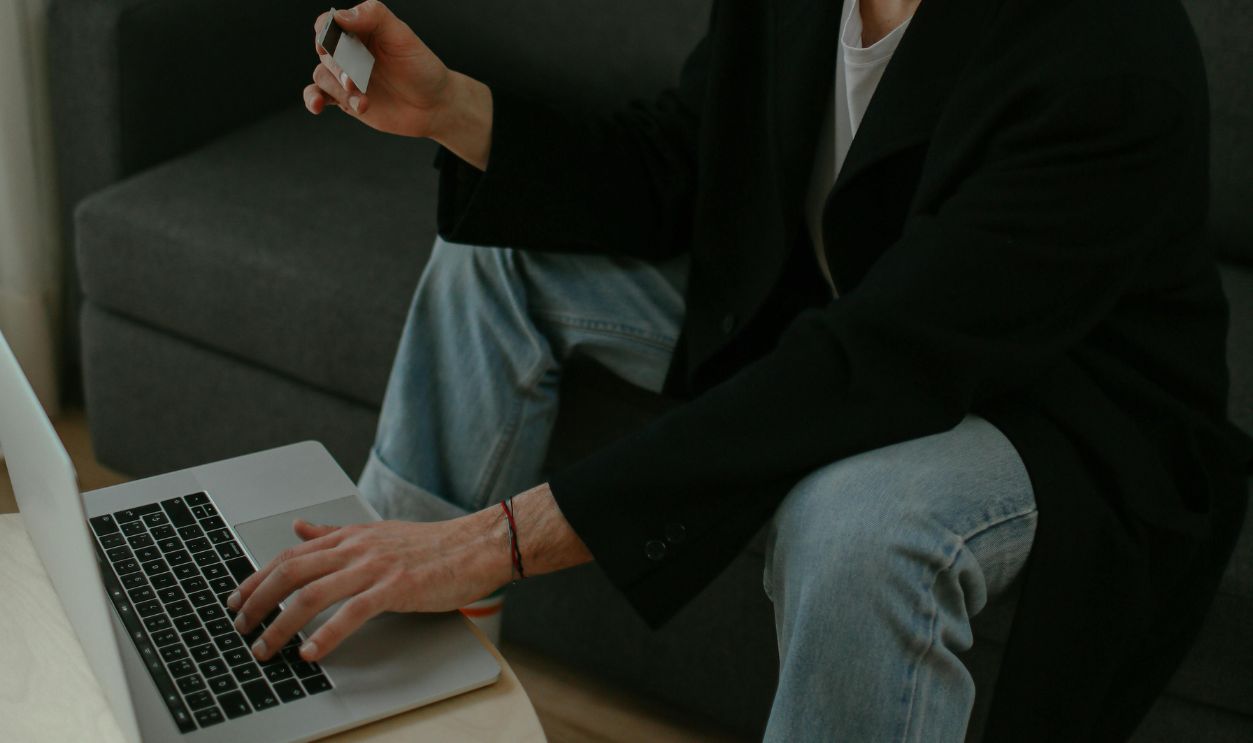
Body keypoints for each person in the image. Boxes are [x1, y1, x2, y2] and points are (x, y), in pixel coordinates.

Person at [226, 0, 1252, 738]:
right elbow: (684, 164)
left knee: (858, 520)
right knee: (493, 257)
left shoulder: (1105, 52)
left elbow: (879, 362)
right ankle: (385, 654)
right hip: (842, 311)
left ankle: (415, 574)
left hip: (1053, 401)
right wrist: (452, 106)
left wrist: (490, 539)